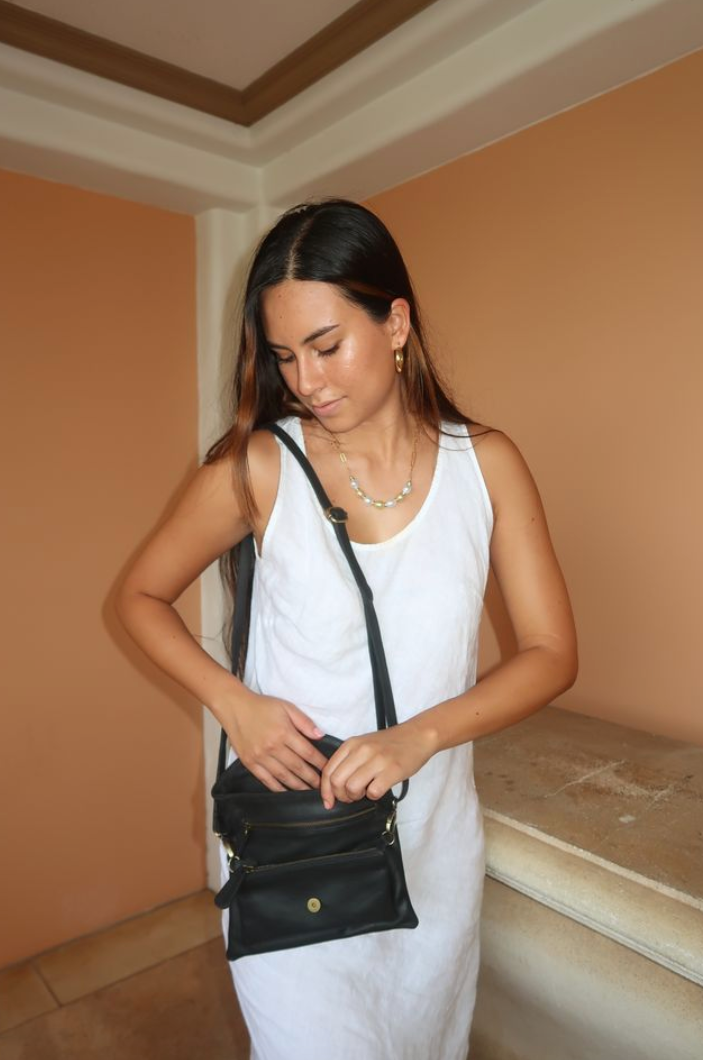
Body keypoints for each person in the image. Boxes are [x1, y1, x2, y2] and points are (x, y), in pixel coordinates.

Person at [115, 197, 578, 1059]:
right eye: (284, 356)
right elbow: (139, 595)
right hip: (295, 844)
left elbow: (552, 654)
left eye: (326, 346)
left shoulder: (486, 466)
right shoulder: (258, 467)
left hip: (430, 841)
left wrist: (418, 737)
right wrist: (234, 704)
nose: (306, 381)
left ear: (394, 323)